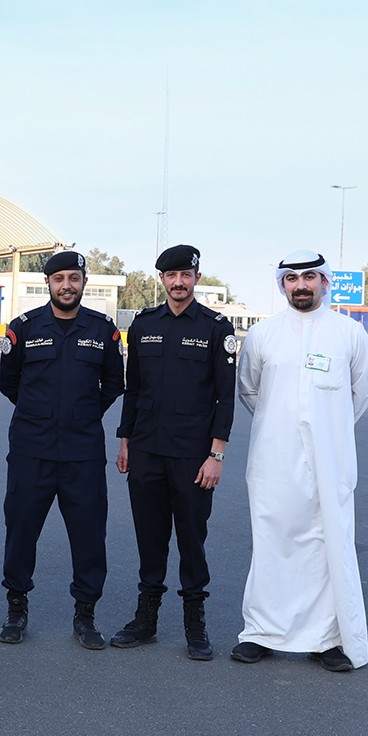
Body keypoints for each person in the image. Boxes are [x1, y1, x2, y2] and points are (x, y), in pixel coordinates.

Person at [232, 250, 368, 671]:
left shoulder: (349, 333)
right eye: (292, 278)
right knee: (272, 540)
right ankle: (260, 632)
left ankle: (326, 638)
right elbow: (250, 390)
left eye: (309, 277)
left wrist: (326, 426)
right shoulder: (263, 334)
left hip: (330, 459)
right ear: (282, 285)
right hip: (273, 458)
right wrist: (286, 422)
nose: (301, 285)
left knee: (326, 541)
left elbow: (362, 393)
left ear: (325, 282)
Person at [111, 244, 235, 660]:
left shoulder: (217, 327)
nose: (178, 282)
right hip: (146, 449)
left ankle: (194, 624)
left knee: (191, 539)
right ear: (161, 279)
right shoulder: (144, 324)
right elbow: (134, 389)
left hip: (193, 456)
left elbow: (225, 397)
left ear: (197, 277)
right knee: (150, 537)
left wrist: (216, 455)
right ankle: (145, 619)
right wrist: (126, 440)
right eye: (171, 275)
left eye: (185, 275)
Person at [0, 250, 124, 649]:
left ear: (84, 282)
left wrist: (82, 413)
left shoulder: (103, 330)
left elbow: (114, 383)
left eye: (74, 278)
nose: (66, 285)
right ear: (48, 283)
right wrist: (38, 412)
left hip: (82, 452)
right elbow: (8, 381)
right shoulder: (24, 327)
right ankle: (16, 610)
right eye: (59, 279)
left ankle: (85, 615)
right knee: (21, 531)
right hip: (31, 449)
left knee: (89, 536)